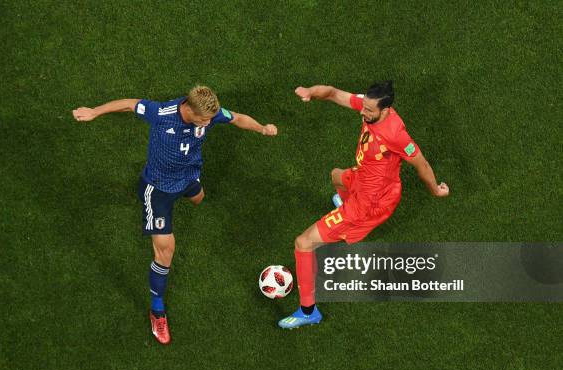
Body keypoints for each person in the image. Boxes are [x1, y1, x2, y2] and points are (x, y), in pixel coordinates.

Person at [73, 85, 278, 344]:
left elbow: (237, 118)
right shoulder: (162, 113)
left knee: (198, 198)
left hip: (188, 176)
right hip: (157, 189)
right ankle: (157, 310)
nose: (207, 123)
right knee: (165, 250)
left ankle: (189, 192)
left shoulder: (210, 113)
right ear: (188, 109)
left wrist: (261, 128)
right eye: (203, 119)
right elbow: (128, 103)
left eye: (209, 119)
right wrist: (94, 111)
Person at [279, 81, 449, 329]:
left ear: (386, 109)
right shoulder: (370, 106)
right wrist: (311, 93)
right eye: (364, 107)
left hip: (369, 203)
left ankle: (308, 311)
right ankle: (344, 215)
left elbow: (421, 164)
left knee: (303, 243)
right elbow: (335, 93)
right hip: (364, 179)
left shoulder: (396, 135)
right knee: (336, 175)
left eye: (369, 111)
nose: (363, 112)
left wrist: (435, 190)